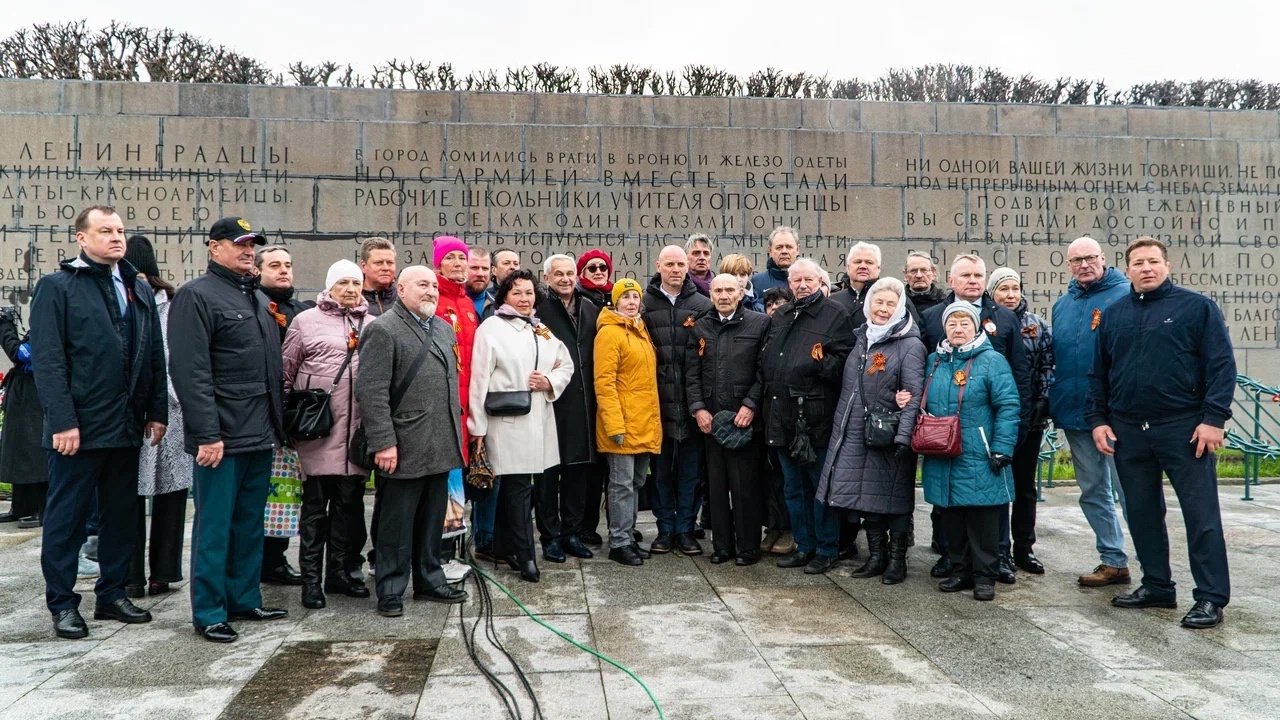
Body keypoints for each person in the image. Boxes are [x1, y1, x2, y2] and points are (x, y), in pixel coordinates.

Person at [31, 205, 168, 640]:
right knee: (67, 520)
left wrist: (157, 411)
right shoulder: (57, 287)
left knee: (121, 516)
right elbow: (49, 361)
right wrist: (62, 422)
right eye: (105, 230)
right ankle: (62, 603)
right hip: (78, 431)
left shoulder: (137, 286)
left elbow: (153, 353)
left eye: (120, 230)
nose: (116, 237)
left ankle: (112, 594)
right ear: (82, 238)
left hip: (125, 425)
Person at [1088, 237, 1235, 630]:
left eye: (1153, 261)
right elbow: (1098, 373)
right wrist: (1098, 420)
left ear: (1167, 266)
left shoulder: (1196, 308)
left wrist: (1214, 419)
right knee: (1141, 512)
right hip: (1128, 430)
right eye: (1138, 263)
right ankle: (1156, 585)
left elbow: (1221, 365)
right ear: (1127, 270)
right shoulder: (1114, 314)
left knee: (1201, 515)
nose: (1146, 268)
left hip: (1184, 429)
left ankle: (1210, 597)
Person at [169, 216, 288, 643]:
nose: (248, 251)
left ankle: (243, 598)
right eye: (239, 244)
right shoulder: (196, 296)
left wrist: (277, 428)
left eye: (251, 244)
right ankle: (209, 611)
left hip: (258, 431)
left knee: (249, 523)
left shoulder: (255, 295)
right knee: (215, 526)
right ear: (214, 247)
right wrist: (207, 434)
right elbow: (190, 371)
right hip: (222, 435)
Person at [355, 266, 469, 617]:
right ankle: (390, 589)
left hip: (440, 441)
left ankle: (429, 580)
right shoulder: (383, 329)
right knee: (397, 523)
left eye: (434, 285)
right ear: (401, 289)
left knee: (431, 520)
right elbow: (371, 391)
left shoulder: (442, 327)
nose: (431, 291)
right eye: (423, 285)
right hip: (403, 443)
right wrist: (383, 442)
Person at [920, 254, 1031, 582]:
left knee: (988, 506)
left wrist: (1010, 438)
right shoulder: (931, 324)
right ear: (950, 280)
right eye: (965, 275)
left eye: (978, 275)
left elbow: (1016, 382)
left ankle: (996, 561)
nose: (972, 280)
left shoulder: (1003, 323)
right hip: (945, 441)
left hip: (983, 438)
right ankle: (954, 562)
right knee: (950, 505)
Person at [817, 278, 926, 584]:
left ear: (900, 308)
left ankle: (897, 560)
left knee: (895, 500)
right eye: (878, 302)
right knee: (869, 498)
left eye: (891, 304)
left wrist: (903, 436)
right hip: (859, 432)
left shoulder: (910, 345)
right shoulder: (863, 338)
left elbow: (913, 395)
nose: (883, 309)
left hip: (890, 436)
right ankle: (876, 557)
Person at [469, 269, 575, 583]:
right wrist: (477, 427)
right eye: (517, 292)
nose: (524, 299)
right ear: (504, 296)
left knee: (515, 487)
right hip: (506, 423)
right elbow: (479, 379)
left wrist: (549, 381)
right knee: (517, 487)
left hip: (538, 419)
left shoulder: (540, 328)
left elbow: (566, 363)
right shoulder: (491, 327)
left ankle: (504, 547)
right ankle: (526, 555)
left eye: (529, 293)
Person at [282, 260, 371, 610]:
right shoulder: (305, 321)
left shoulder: (371, 325)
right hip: (317, 431)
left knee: (348, 509)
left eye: (356, 283)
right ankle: (310, 581)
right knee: (315, 511)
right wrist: (286, 421)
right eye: (343, 283)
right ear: (329, 286)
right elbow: (285, 373)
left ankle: (338, 573)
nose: (350, 289)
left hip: (355, 435)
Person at [759, 258, 854, 575]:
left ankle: (826, 549)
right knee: (793, 488)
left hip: (815, 419)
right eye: (796, 280)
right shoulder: (782, 314)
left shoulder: (835, 314)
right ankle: (804, 545)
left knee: (819, 488)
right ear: (789, 283)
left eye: (808, 280)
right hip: (782, 415)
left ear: (819, 282)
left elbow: (843, 364)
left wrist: (820, 364)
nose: (802, 285)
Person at [1049, 236, 1133, 589]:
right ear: (1068, 265)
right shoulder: (1062, 305)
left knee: (1131, 491)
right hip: (1076, 413)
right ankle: (1113, 560)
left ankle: (1154, 567)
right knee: (1092, 490)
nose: (1083, 265)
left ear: (1103, 258)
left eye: (1089, 258)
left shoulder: (1126, 295)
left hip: (1117, 416)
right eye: (1076, 260)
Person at [686, 274, 770, 565]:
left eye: (729, 290)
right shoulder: (699, 327)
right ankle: (722, 546)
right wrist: (698, 408)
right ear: (711, 296)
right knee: (716, 487)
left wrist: (750, 405)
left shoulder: (760, 324)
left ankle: (748, 548)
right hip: (711, 420)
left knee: (745, 487)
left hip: (744, 420)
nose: (724, 295)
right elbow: (691, 373)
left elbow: (764, 371)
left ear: (740, 293)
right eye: (718, 290)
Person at [124, 236, 189, 600]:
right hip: (139, 411)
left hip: (168, 413)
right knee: (132, 494)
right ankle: (137, 575)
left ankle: (157, 573)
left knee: (169, 492)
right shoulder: (122, 300)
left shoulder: (173, 305)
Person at [642, 245, 714, 555]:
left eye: (680, 264)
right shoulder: (643, 304)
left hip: (691, 403)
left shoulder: (702, 305)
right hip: (656, 403)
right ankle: (664, 529)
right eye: (669, 264)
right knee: (660, 472)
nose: (675, 269)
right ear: (658, 266)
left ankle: (685, 528)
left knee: (690, 472)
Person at [988, 268, 1054, 575]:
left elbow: (1048, 364)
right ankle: (998, 549)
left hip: (1031, 416)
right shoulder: (988, 323)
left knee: (1025, 486)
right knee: (999, 483)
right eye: (1004, 289)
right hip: (996, 417)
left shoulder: (1036, 325)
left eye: (1015, 288)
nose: (1011, 294)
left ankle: (1024, 548)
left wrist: (1043, 399)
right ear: (993, 293)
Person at [535, 255, 601, 563]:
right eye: (558, 274)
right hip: (551, 402)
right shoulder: (539, 311)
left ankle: (571, 533)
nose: (565, 279)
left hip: (584, 403)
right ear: (547, 278)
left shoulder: (590, 308)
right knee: (549, 474)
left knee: (578, 471)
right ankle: (550, 536)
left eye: (569, 273)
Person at [593, 278, 663, 566]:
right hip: (621, 423)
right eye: (625, 297)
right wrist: (614, 425)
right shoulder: (609, 333)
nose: (632, 302)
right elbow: (604, 382)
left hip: (644, 421)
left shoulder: (640, 329)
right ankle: (619, 542)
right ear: (616, 301)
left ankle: (628, 534)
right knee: (621, 485)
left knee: (635, 483)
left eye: (635, 297)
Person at [256, 244, 310, 587]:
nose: (283, 270)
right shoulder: (255, 305)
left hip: (292, 415)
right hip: (261, 413)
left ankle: (275, 559)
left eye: (287, 264)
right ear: (258, 270)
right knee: (265, 491)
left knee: (284, 493)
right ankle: (261, 560)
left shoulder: (301, 311)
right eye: (275, 265)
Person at [433, 236, 481, 583]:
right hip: (441, 408)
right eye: (450, 258)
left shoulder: (466, 303)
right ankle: (438, 556)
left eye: (461, 258)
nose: (458, 264)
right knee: (444, 484)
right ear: (438, 264)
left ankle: (450, 551)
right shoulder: (435, 299)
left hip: (465, 407)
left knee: (457, 481)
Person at [0, 303, 46, 528]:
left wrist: (5, 327)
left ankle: (40, 509)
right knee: (19, 451)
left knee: (34, 453)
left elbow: (21, 354)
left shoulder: (48, 326)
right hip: (23, 396)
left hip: (36, 397)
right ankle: (21, 507)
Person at [758, 285, 796, 555]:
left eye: (780, 303)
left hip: (787, 414)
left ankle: (789, 529)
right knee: (768, 476)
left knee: (787, 476)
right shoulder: (762, 333)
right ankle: (772, 526)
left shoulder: (794, 333)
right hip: (763, 414)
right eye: (769, 304)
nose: (774, 309)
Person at [752, 226, 798, 294]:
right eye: (779, 247)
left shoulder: (808, 281)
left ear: (797, 249)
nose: (784, 251)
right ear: (770, 251)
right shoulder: (757, 281)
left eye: (789, 247)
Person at [360, 237, 398, 316]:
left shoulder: (404, 299)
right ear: (364, 266)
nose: (385, 268)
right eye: (379, 263)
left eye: (390, 263)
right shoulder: (352, 300)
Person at [904, 251, 947, 315]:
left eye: (924, 270)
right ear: (905, 275)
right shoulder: (899, 302)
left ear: (933, 273)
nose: (919, 275)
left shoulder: (945, 302)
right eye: (913, 271)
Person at [466, 248, 495, 318]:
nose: (480, 274)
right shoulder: (446, 303)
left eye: (485, 269)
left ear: (491, 271)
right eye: (474, 268)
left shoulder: (500, 306)